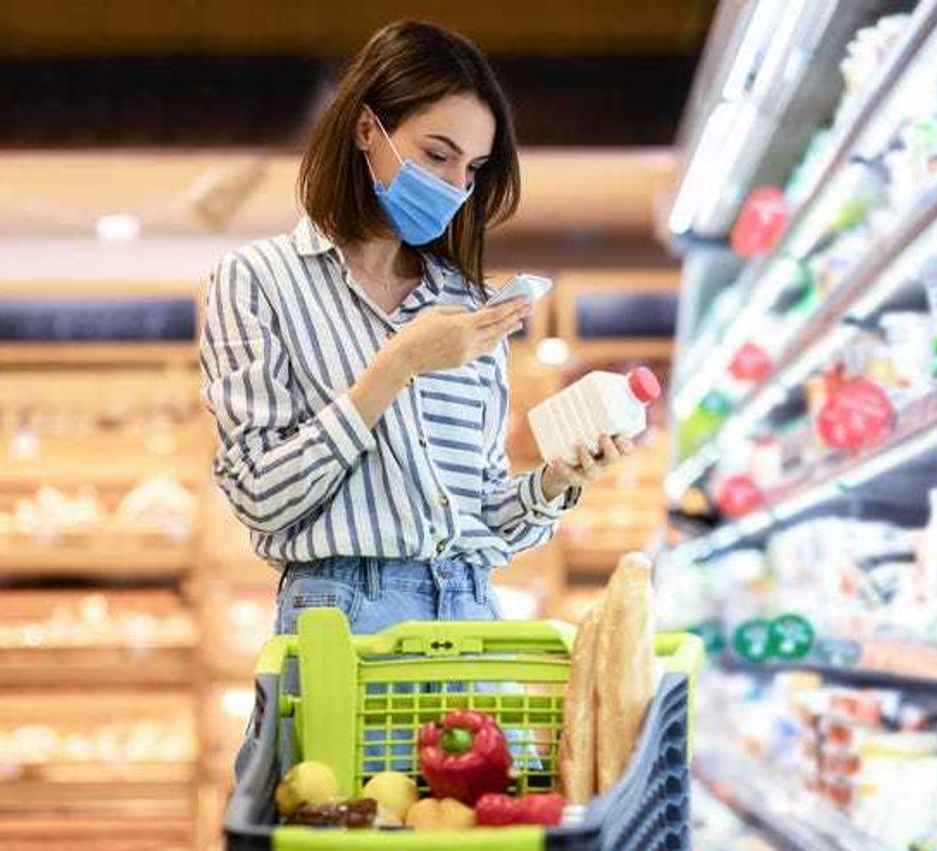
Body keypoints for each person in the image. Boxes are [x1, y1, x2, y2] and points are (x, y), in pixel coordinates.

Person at [199, 21, 637, 639]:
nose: (456, 186)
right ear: (366, 130)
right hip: (342, 614)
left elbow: (482, 518)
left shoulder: (470, 306)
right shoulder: (258, 280)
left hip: (471, 609)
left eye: (473, 168)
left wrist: (556, 481)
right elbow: (257, 495)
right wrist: (395, 367)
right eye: (437, 154)